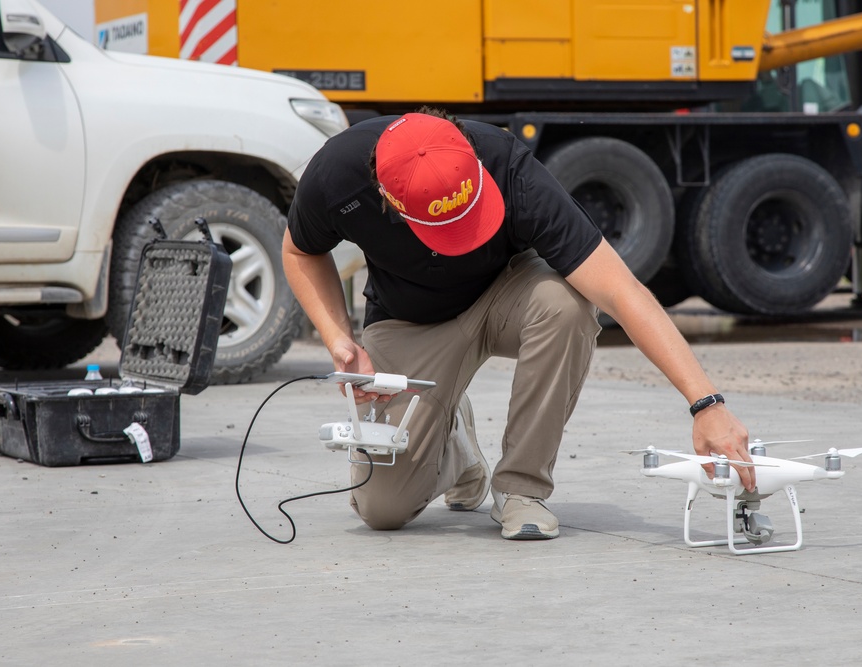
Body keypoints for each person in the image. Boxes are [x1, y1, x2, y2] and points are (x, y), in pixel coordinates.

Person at [283, 108, 753, 541]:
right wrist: (339, 339)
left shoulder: (508, 165)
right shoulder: (334, 177)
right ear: (387, 197)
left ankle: (520, 489)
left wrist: (706, 403)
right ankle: (457, 444)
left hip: (508, 295)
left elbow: (620, 290)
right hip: (409, 319)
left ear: (472, 159)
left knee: (568, 303)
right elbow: (300, 250)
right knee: (382, 510)